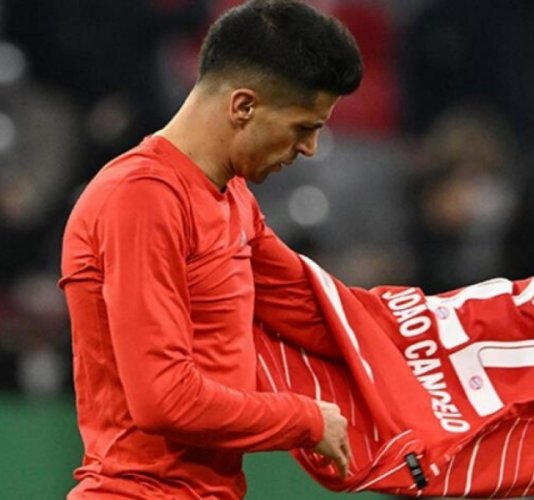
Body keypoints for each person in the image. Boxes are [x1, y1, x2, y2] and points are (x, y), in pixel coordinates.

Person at [58, 1, 362, 498]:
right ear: (243, 107)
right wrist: (304, 419)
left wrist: (463, 326)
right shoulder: (142, 198)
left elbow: (313, 308)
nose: (309, 149)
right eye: (304, 128)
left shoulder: (232, 196)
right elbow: (164, 399)